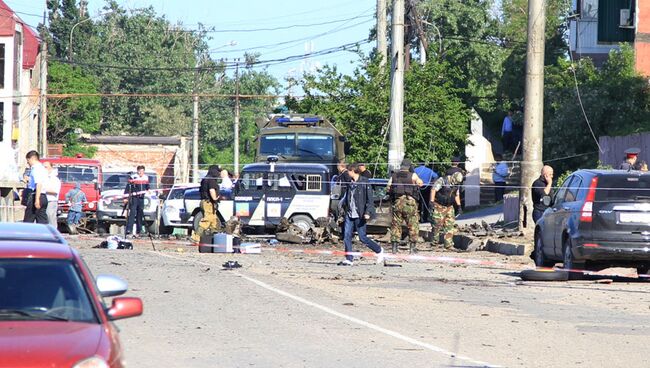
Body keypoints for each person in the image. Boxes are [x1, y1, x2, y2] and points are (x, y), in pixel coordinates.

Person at [337, 163, 385, 266]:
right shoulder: (350, 183)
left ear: (352, 171)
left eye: (348, 171)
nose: (347, 173)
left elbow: (370, 199)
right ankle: (349, 258)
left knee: (363, 237)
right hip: (350, 214)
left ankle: (379, 250)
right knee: (347, 236)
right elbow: (348, 197)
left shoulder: (364, 182)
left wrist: (368, 212)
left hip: (360, 214)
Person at [387, 159, 424, 254]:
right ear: (409, 166)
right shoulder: (413, 175)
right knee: (413, 225)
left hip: (398, 202)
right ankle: (412, 248)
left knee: (396, 225)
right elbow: (421, 183)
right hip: (409, 203)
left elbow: (388, 187)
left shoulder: (394, 175)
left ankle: (394, 248)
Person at [430, 171, 463, 250]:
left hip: (449, 207)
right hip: (439, 206)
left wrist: (459, 206)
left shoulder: (456, 185)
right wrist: (431, 202)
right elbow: (433, 190)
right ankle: (434, 244)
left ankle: (448, 245)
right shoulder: (442, 180)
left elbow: (456, 195)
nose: (455, 183)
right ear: (453, 177)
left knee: (450, 226)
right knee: (437, 225)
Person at [191, 165, 222, 243]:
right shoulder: (211, 180)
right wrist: (215, 198)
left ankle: (214, 238)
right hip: (208, 203)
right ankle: (195, 237)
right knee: (207, 220)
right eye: (218, 171)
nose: (219, 173)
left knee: (214, 221)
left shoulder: (205, 179)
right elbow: (211, 190)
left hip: (206, 202)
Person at [124, 165, 150, 237]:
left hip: (142, 198)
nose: (141, 173)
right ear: (137, 171)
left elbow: (147, 186)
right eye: (139, 171)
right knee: (132, 213)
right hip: (134, 198)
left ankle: (139, 230)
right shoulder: (133, 177)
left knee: (140, 214)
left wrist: (149, 190)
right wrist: (125, 197)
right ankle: (129, 229)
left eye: (142, 171)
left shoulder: (146, 178)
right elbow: (128, 187)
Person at [23, 150, 49, 224]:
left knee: (28, 220)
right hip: (43, 196)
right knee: (42, 220)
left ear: (32, 158)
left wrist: (37, 200)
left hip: (36, 195)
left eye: (28, 160)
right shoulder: (42, 168)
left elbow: (39, 184)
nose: (28, 163)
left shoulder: (36, 169)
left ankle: (26, 235)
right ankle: (44, 234)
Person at [42, 161, 62, 228]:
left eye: (46, 167)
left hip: (51, 201)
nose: (44, 169)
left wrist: (43, 190)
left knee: (50, 217)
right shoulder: (43, 178)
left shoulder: (55, 179)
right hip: (43, 200)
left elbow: (55, 191)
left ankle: (54, 233)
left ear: (51, 168)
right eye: (43, 167)